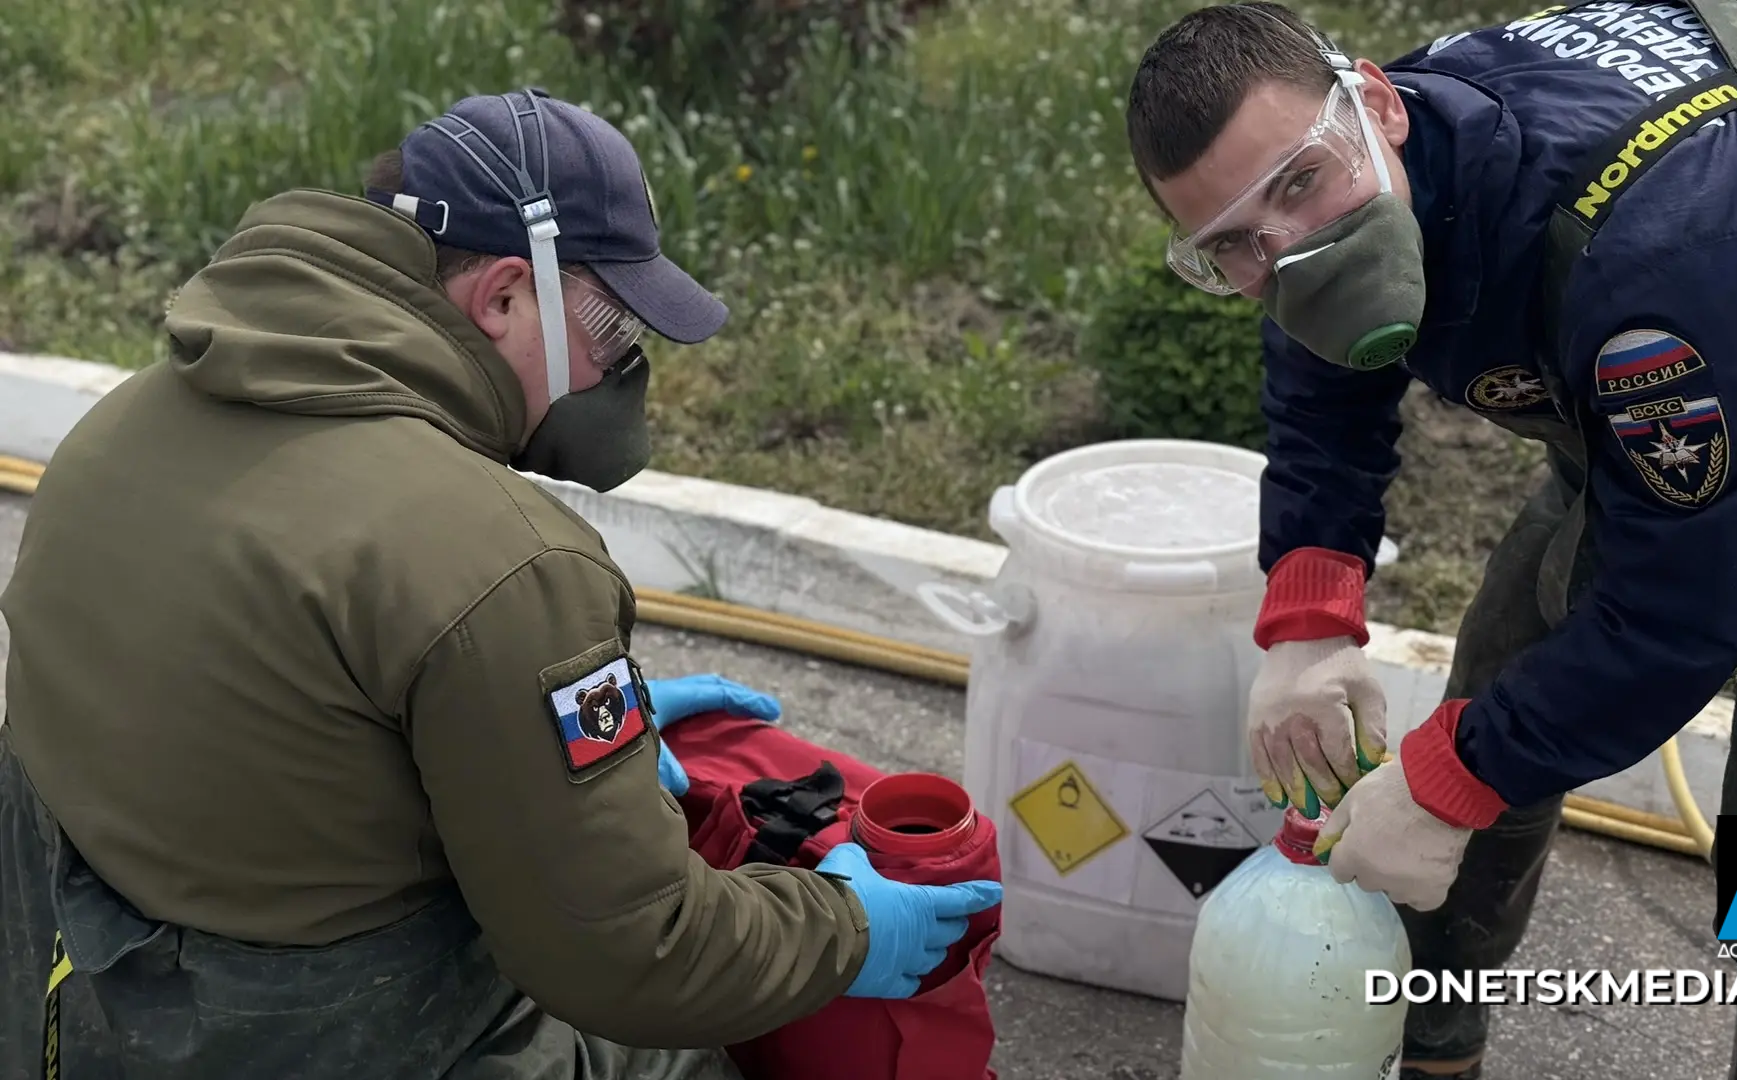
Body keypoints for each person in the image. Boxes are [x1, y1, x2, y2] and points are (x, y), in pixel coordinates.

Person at [0, 87, 1001, 1080]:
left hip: (75, 1000)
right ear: (506, 296)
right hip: (312, 1037)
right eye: (611, 334)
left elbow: (264, 715)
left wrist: (543, 731)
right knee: (679, 1050)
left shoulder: (121, 425)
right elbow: (637, 951)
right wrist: (851, 930)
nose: (620, 372)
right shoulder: (504, 560)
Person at [1125, 1, 1737, 1077]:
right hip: (1713, 378)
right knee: (1488, 712)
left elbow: (1677, 619)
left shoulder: (1664, 261)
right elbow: (1324, 371)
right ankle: (1432, 1053)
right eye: (1232, 247)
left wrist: (1457, 775)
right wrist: (1310, 616)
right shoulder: (1356, 156)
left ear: (1378, 105)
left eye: (1300, 190)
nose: (1288, 251)